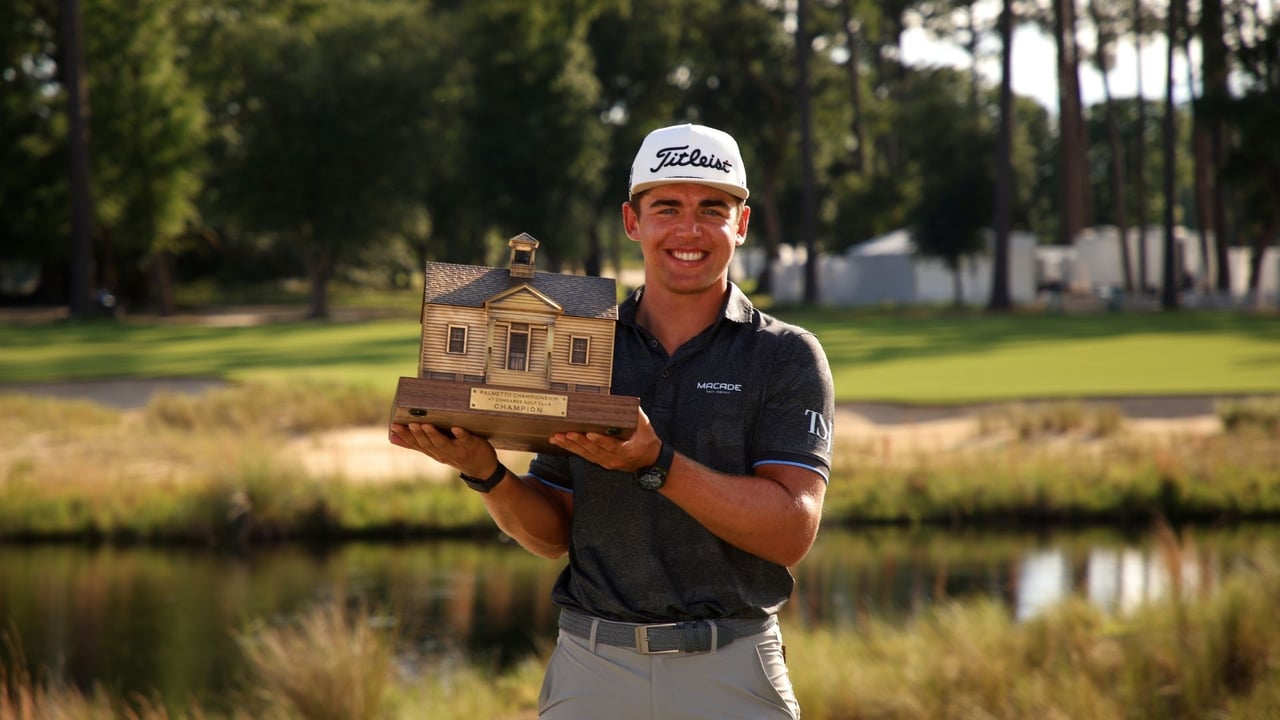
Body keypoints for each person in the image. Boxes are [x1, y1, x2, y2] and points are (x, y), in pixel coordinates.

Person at [389, 123, 835, 719]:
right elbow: (552, 536)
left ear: (742, 224)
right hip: (592, 668)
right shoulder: (591, 342)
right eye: (666, 208)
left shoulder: (785, 354)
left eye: (712, 209)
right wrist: (485, 473)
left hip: (731, 668)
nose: (688, 230)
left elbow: (790, 532)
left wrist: (657, 465)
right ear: (633, 222)